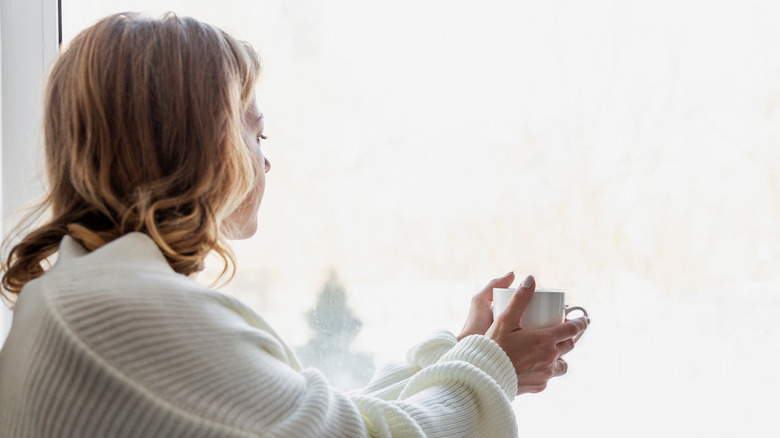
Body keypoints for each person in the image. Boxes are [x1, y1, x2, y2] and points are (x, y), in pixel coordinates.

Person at [0, 12, 589, 438]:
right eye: (256, 133)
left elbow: (313, 421)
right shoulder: (135, 316)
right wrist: (494, 368)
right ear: (196, 146)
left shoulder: (82, 298)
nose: (266, 158)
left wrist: (458, 354)